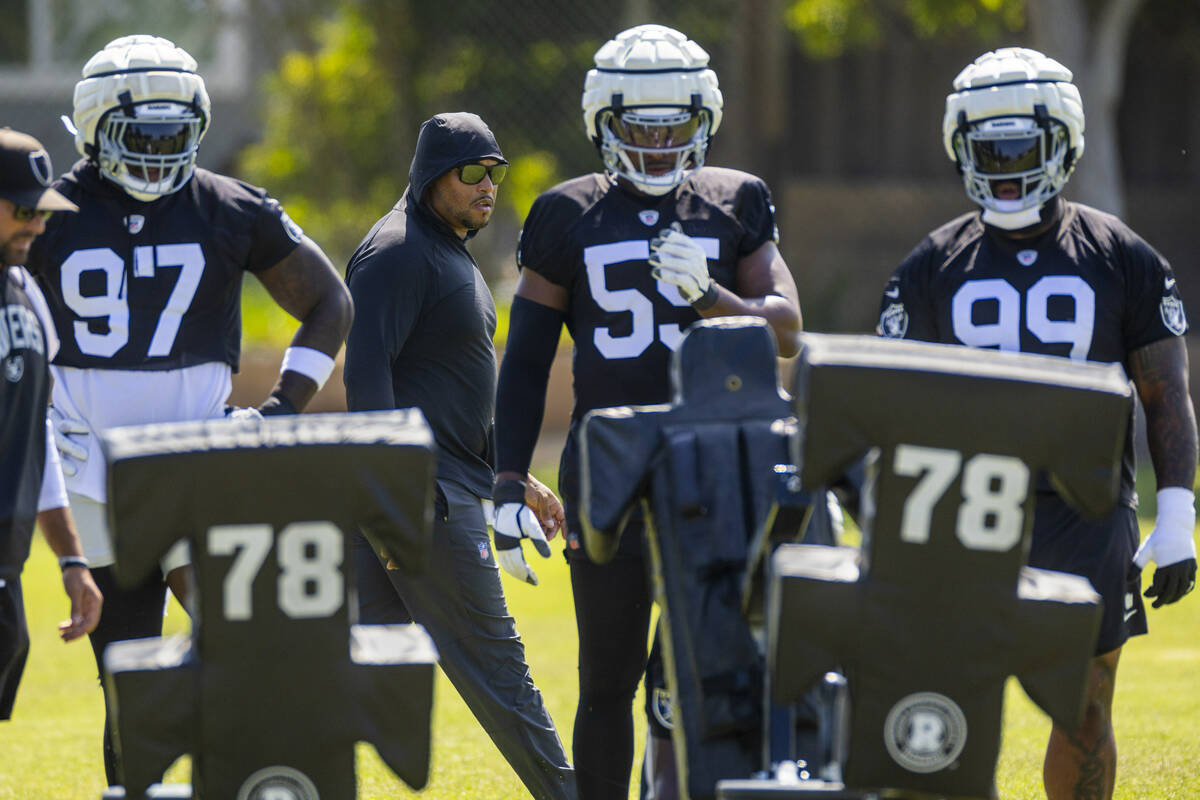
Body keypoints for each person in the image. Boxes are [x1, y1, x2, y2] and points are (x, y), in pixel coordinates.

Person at [25, 35, 353, 786]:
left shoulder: (228, 204)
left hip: (198, 461)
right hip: (92, 470)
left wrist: (277, 414)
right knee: (129, 673)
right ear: (94, 125)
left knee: (246, 649)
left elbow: (331, 302)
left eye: (177, 133)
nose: (161, 150)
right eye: (143, 134)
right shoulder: (46, 213)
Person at [492, 24, 804, 800]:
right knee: (607, 681)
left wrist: (712, 297)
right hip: (613, 470)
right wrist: (504, 479)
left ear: (705, 121)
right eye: (641, 124)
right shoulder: (566, 213)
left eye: (676, 124)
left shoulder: (737, 199)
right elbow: (526, 360)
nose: (660, 141)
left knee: (710, 666)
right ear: (604, 122)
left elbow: (788, 331)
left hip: (726, 467)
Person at [876, 47, 1197, 800]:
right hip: (963, 505)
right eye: (991, 148)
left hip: (1086, 511)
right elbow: (890, 400)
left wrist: (1177, 509)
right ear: (961, 147)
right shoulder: (930, 265)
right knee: (948, 705)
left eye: (1024, 145)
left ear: (1066, 142)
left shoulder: (1121, 255)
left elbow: (1166, 389)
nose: (1008, 164)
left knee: (1084, 707)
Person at [342, 111, 576, 800]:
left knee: (353, 680)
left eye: (495, 172)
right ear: (428, 176)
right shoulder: (397, 252)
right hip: (424, 501)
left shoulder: (445, 250)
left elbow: (454, 394)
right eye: (471, 171)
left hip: (421, 493)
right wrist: (397, 493)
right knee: (500, 671)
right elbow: (366, 376)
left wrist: (516, 477)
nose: (487, 185)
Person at [0, 128, 103, 720]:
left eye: (41, 211)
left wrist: (71, 560)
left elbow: (34, 431)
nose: (36, 225)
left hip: (7, 565)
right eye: (21, 210)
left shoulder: (28, 295)